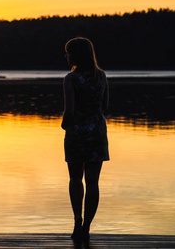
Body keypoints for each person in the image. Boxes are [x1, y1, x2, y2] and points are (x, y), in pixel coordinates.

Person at [61, 37, 109, 241]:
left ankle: (77, 221)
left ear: (76, 55)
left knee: (75, 179)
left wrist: (65, 124)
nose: (67, 56)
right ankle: (87, 227)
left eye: (69, 53)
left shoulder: (70, 79)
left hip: (77, 134)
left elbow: (69, 110)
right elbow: (104, 106)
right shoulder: (102, 76)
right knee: (93, 182)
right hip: (97, 132)